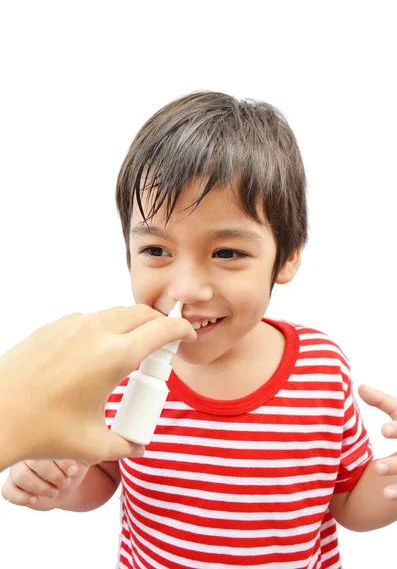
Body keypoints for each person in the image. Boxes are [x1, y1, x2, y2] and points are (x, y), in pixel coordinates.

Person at [3, 91, 397, 567]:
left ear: (288, 256)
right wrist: (56, 477)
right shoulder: (116, 365)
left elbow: (349, 505)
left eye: (227, 253)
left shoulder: (320, 369)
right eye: (155, 250)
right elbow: (101, 479)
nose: (186, 289)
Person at [0, 304, 196, 472]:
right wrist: (63, 467)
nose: (185, 289)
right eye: (156, 256)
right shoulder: (113, 374)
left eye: (224, 256)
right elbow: (104, 470)